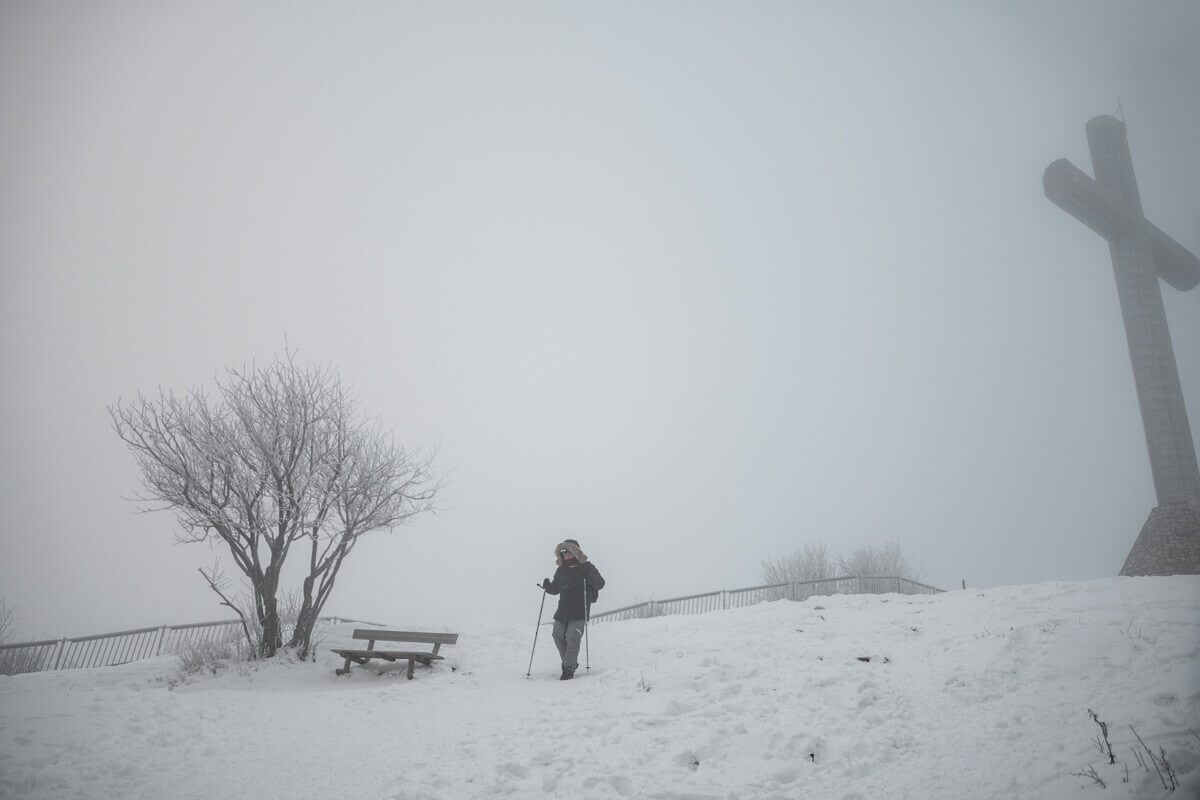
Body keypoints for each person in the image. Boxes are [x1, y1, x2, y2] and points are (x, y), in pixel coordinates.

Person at [541, 538, 604, 680]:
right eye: (564, 554)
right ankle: (571, 663)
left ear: (576, 552)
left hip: (579, 611)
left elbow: (600, 584)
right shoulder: (561, 570)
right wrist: (548, 587)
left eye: (569, 553)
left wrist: (591, 577)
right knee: (557, 635)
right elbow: (556, 588)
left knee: (572, 638)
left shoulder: (586, 567)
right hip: (562, 611)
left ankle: (568, 669)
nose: (567, 556)